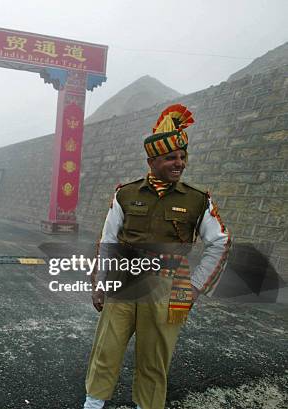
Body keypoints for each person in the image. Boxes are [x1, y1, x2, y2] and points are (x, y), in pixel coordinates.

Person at [83, 104, 231, 409]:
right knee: (106, 349)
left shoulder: (196, 199)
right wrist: (100, 281)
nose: (179, 164)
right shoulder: (125, 194)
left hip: (168, 286)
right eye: (170, 158)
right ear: (151, 161)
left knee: (154, 357)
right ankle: (93, 405)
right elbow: (108, 240)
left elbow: (220, 242)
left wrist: (195, 286)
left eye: (182, 157)